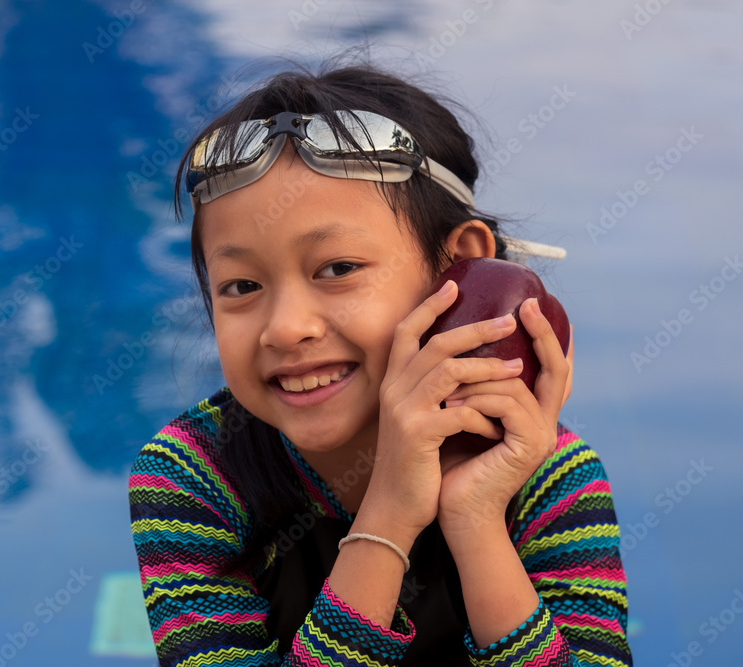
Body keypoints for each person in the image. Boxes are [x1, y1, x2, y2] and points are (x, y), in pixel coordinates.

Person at [128, 60, 631, 666]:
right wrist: (389, 514)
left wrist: (475, 518)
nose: (285, 328)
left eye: (337, 269)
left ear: (460, 267)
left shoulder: (549, 477)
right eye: (241, 286)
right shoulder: (196, 475)